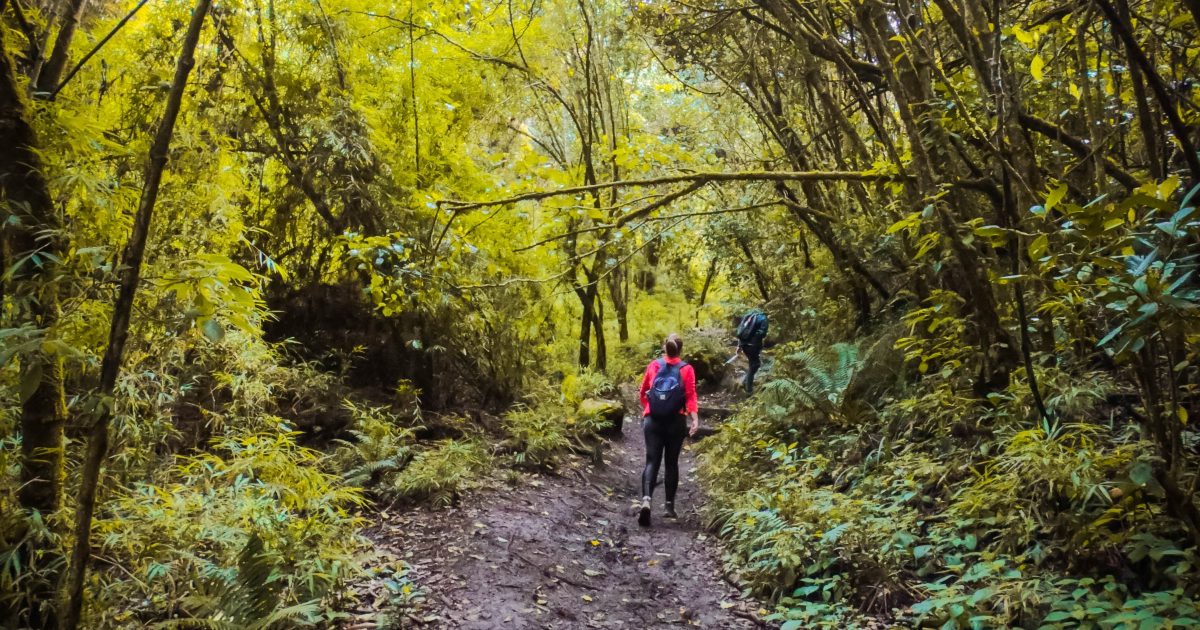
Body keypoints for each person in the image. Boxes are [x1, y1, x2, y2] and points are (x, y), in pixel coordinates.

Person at [636, 333, 699, 527]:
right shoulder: (687, 369)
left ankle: (646, 499)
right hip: (676, 421)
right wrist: (694, 419)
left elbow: (643, 391)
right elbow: (690, 395)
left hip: (653, 420)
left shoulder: (654, 365)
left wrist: (650, 408)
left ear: (665, 347)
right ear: (681, 349)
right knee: (671, 462)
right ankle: (669, 506)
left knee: (651, 460)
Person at [734, 308, 769, 394]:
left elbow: (742, 331)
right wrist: (755, 341)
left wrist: (739, 346)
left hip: (744, 345)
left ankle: (745, 382)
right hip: (753, 345)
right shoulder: (763, 318)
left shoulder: (748, 316)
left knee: (752, 364)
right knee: (755, 364)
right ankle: (749, 389)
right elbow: (762, 333)